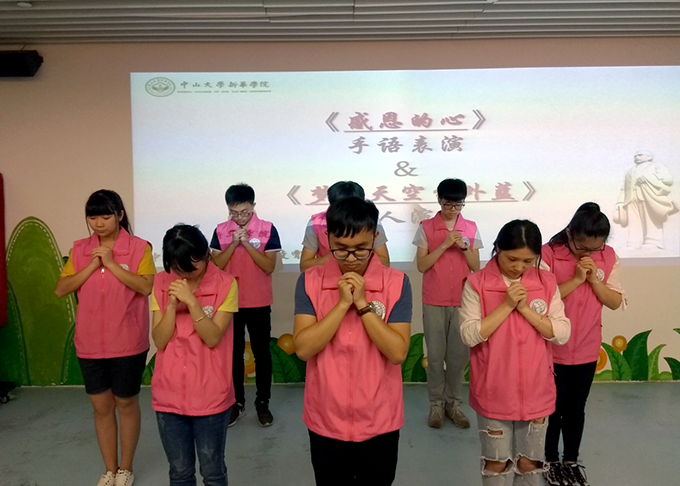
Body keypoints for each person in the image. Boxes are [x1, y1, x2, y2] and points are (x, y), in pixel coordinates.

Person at [293, 197, 412, 486]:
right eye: (341, 249)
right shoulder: (309, 281)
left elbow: (397, 352)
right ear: (328, 238)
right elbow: (304, 348)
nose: (350, 258)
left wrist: (362, 304)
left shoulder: (396, 283)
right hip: (326, 418)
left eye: (360, 249)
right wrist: (341, 304)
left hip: (379, 419)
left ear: (375, 237)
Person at [460, 220, 571, 486]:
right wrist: (507, 305)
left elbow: (562, 333)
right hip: (493, 391)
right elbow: (469, 334)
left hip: (537, 390)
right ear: (497, 248)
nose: (519, 267)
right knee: (496, 465)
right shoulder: (476, 284)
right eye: (512, 259)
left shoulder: (546, 282)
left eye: (528, 261)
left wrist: (524, 309)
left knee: (530, 465)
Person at [55, 190, 154, 486]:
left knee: (126, 404)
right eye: (93, 217)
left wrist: (110, 264)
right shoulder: (79, 249)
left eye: (106, 216)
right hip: (89, 344)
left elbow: (146, 287)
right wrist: (92, 265)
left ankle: (126, 468)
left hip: (127, 342)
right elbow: (61, 288)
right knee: (101, 407)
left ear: (120, 215)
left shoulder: (139, 248)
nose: (99, 223)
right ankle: (109, 469)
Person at [542, 203, 625, 486]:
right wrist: (577, 279)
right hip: (552, 348)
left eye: (595, 248)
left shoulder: (608, 256)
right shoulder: (548, 253)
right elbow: (543, 301)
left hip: (587, 347)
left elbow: (614, 301)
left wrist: (593, 281)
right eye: (581, 247)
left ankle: (571, 460)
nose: (588, 253)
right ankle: (550, 460)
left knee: (576, 409)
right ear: (569, 233)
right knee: (552, 409)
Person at [151, 224, 237, 486]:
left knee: (212, 472)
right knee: (179, 473)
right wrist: (171, 307)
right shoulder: (160, 282)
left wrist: (191, 301)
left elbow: (212, 337)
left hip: (210, 394)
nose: (185, 274)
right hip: (168, 393)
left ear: (205, 254)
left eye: (192, 266)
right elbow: (160, 340)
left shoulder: (226, 284)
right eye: (177, 269)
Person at [413, 178, 481, 429]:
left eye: (458, 204)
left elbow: (476, 267)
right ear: (439, 200)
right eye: (448, 204)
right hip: (434, 300)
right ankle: (436, 404)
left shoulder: (470, 227)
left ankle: (454, 404)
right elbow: (422, 266)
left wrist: (463, 247)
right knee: (435, 356)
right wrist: (444, 245)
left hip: (463, 301)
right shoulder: (426, 227)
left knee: (458, 357)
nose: (453, 209)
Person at [211, 183, 281, 426]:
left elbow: (269, 266)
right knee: (233, 353)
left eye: (244, 212)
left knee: (262, 353)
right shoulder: (221, 230)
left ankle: (262, 402)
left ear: (253, 206)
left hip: (259, 300)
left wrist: (248, 244)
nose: (239, 218)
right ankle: (236, 402)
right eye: (234, 213)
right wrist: (233, 244)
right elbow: (216, 266)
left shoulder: (267, 229)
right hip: (229, 302)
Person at [299, 181, 390, 271]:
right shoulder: (316, 222)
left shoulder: (370, 220)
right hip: (328, 276)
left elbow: (384, 263)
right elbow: (304, 266)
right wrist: (337, 255)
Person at [615, 151, 678, 249]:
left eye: (640, 155)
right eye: (635, 156)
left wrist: (648, 178)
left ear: (649, 157)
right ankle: (633, 243)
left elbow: (668, 179)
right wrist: (620, 201)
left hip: (649, 197)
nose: (637, 157)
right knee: (634, 222)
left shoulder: (656, 166)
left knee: (651, 219)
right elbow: (624, 188)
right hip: (631, 199)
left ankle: (654, 241)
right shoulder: (630, 171)